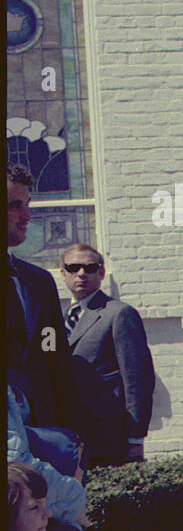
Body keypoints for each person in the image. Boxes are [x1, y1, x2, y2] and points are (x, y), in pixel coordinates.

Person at [59, 244, 155, 467]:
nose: (81, 273)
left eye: (90, 267)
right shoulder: (56, 317)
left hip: (108, 434)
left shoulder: (119, 313)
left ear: (101, 273)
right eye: (74, 267)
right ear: (63, 274)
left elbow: (137, 380)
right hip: (68, 434)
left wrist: (135, 438)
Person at [7, 163, 75, 429]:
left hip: (41, 431)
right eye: (14, 205)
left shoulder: (38, 282)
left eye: (27, 204)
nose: (26, 216)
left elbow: (53, 353)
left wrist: (71, 432)